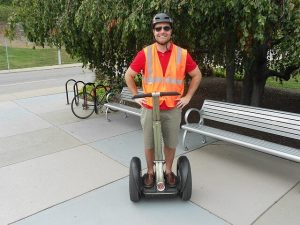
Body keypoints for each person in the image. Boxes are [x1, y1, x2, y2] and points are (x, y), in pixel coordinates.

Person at [125, 12, 202, 188]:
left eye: (166, 28)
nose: (162, 31)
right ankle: (150, 173)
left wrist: (188, 96)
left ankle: (168, 171)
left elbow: (197, 75)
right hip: (150, 106)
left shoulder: (182, 54)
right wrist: (136, 96)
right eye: (158, 28)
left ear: (171, 31)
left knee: (170, 142)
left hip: (173, 107)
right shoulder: (145, 54)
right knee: (149, 142)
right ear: (153, 32)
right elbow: (129, 75)